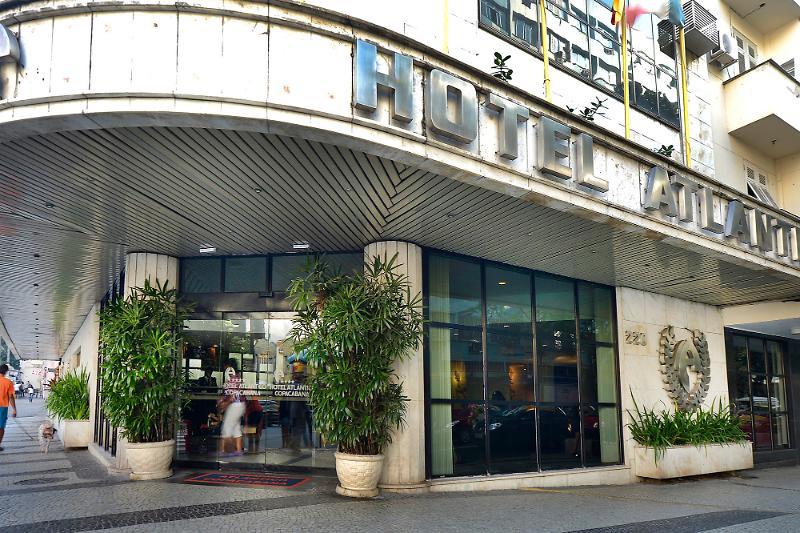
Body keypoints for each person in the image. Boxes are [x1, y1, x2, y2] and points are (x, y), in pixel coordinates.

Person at [0, 364, 18, 452]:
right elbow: (11, 397)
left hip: (3, 407)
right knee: (1, 427)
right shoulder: (8, 382)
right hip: (2, 407)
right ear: (6, 372)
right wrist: (14, 410)